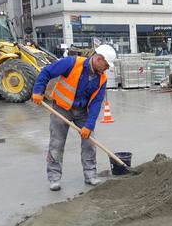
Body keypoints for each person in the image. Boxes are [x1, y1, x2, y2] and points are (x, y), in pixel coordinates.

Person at [31, 44, 116, 191]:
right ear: (98, 59)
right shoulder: (72, 63)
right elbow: (46, 72)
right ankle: (54, 178)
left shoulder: (102, 79)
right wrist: (38, 91)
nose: (107, 68)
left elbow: (96, 103)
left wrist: (89, 125)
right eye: (106, 65)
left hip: (82, 111)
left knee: (89, 142)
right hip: (61, 108)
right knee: (57, 143)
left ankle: (90, 175)